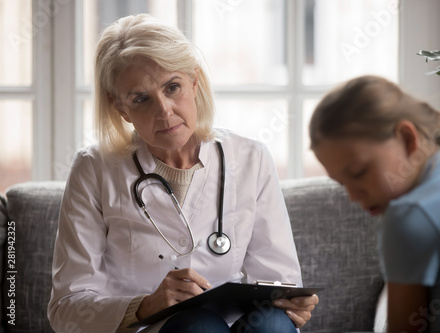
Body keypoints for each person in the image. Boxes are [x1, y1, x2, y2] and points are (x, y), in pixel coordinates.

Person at [48, 13, 318, 333]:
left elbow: (281, 281)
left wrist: (292, 305)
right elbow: (66, 310)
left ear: (194, 81)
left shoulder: (250, 159)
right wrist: (145, 305)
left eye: (172, 87)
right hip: (150, 329)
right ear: (120, 107)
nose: (164, 110)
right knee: (198, 327)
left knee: (273, 323)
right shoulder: (94, 168)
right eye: (141, 98)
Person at [309, 75, 440, 333]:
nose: (353, 196)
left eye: (358, 172)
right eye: (342, 183)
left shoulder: (410, 215)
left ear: (408, 139)